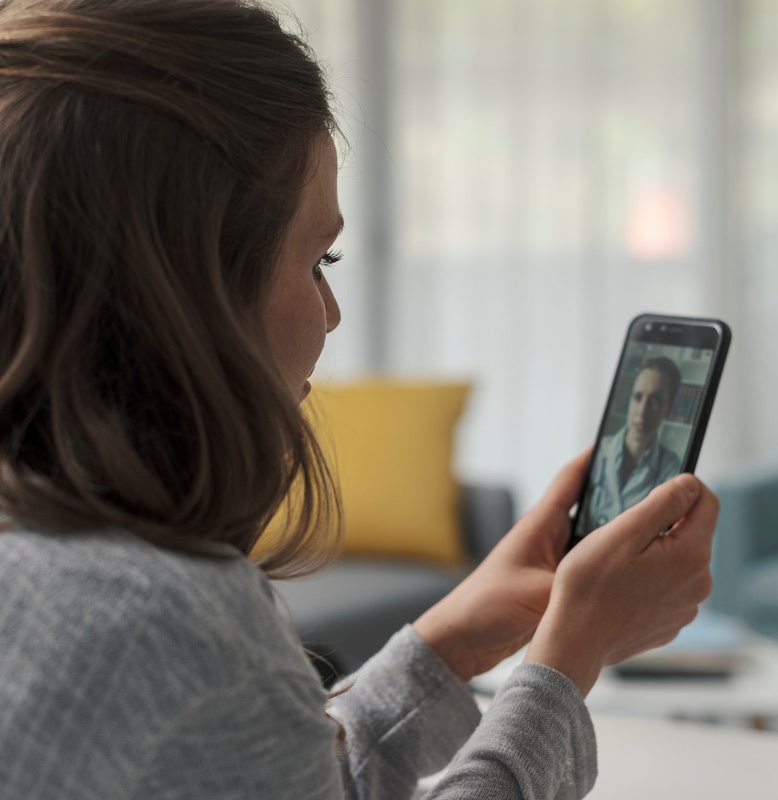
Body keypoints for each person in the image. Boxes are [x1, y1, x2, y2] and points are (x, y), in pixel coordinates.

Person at [0, 1, 717, 798]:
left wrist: (445, 645)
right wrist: (565, 662)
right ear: (192, 290)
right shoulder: (171, 620)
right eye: (319, 260)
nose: (332, 314)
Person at [580, 356, 684, 535]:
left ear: (669, 409)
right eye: (638, 397)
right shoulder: (599, 452)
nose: (642, 411)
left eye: (655, 400)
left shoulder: (672, 470)